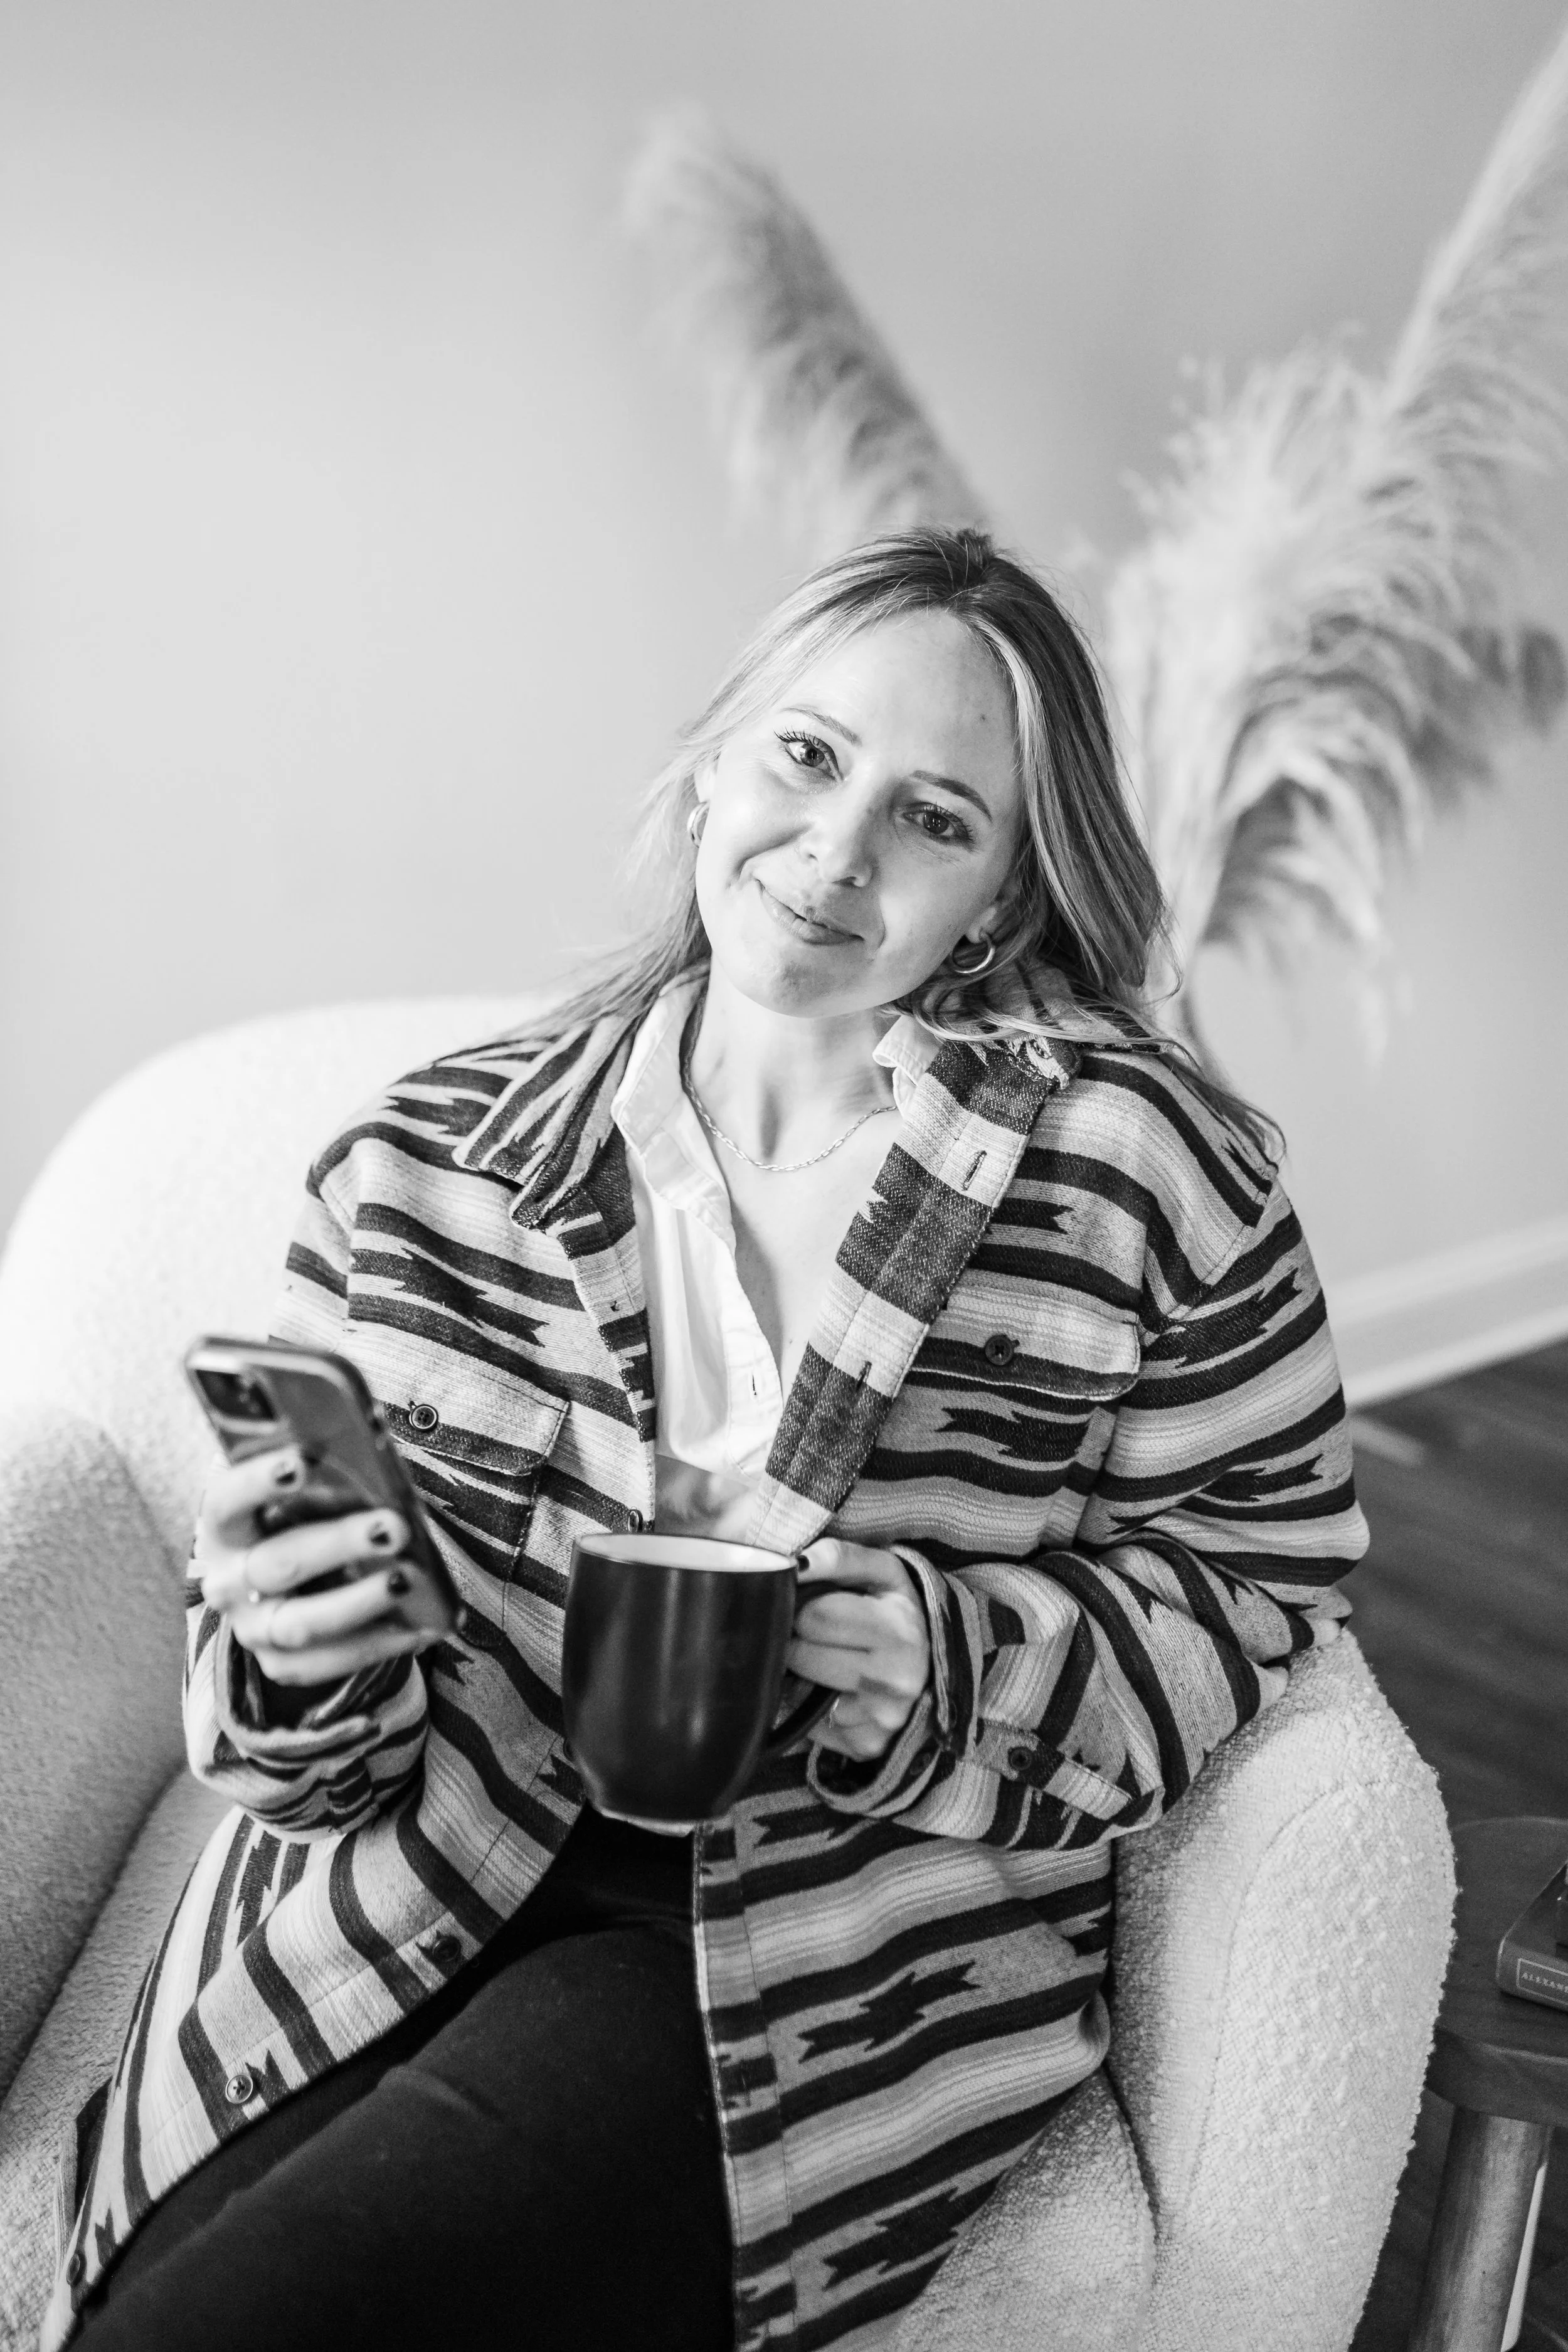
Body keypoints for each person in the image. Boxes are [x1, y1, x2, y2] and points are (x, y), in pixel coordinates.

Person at [53, 528, 1366, 2352]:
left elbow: (1259, 1568)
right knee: (126, 2292)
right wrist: (290, 1648)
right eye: (807, 758)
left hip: (799, 1953)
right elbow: (304, 1750)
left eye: (934, 818)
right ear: (710, 770)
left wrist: (938, 1649)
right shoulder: (430, 1167)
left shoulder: (1141, 1174)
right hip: (404, 1869)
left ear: (996, 892)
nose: (834, 855)